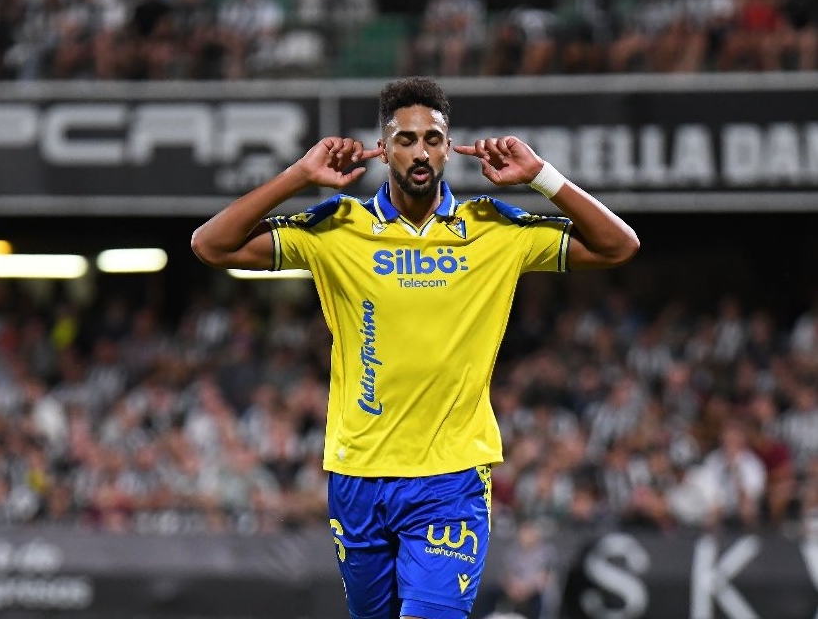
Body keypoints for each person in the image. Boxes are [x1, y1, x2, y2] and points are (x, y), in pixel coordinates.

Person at [190, 76, 639, 619]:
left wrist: (541, 176)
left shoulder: (494, 230)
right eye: (406, 139)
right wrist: (299, 177)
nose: (420, 152)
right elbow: (210, 244)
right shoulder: (338, 228)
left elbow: (619, 245)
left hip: (450, 478)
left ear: (449, 147)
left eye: (432, 138)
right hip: (359, 474)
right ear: (383, 148)